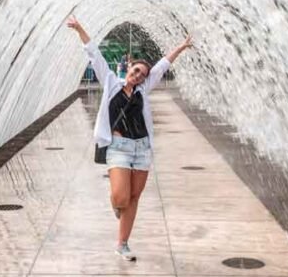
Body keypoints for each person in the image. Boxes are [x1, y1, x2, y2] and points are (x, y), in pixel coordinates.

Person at [66, 16, 194, 261]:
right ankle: (117, 205)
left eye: (143, 75)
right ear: (129, 68)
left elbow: (163, 65)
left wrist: (181, 47)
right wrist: (80, 28)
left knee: (134, 197)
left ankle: (122, 244)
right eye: (136, 71)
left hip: (142, 149)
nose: (138, 76)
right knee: (121, 197)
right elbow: (94, 55)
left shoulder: (143, 91)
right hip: (118, 148)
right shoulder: (111, 82)